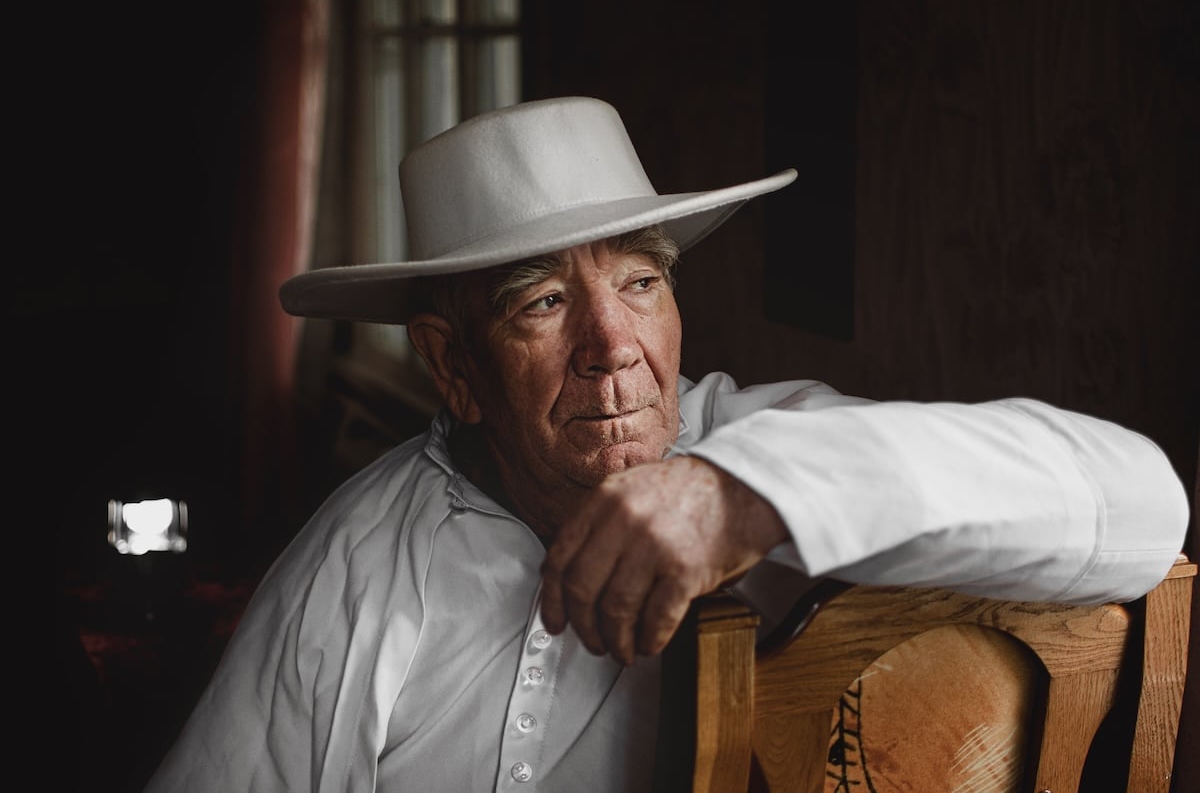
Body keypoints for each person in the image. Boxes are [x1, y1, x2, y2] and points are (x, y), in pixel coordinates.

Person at [144, 96, 1188, 792]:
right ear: (452, 364)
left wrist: (741, 497)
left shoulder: (764, 443)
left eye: (641, 281)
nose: (615, 346)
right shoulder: (360, 556)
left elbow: (1146, 509)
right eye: (544, 299)